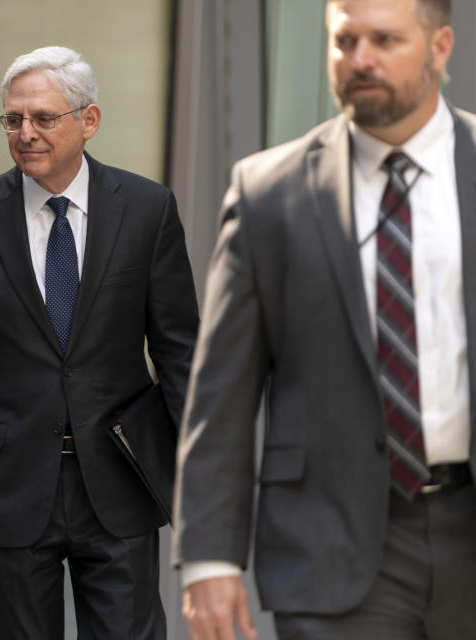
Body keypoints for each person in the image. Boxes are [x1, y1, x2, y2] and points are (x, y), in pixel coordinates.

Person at [173, 1, 475, 638]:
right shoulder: (268, 194)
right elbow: (221, 393)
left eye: (385, 40)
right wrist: (209, 555)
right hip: (329, 542)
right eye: (345, 41)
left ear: (441, 47)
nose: (360, 59)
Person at [0, 45, 199, 639]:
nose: (26, 133)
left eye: (44, 118)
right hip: (5, 487)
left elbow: (180, 354)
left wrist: (201, 473)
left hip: (120, 479)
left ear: (87, 122)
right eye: (14, 119)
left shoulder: (147, 210)